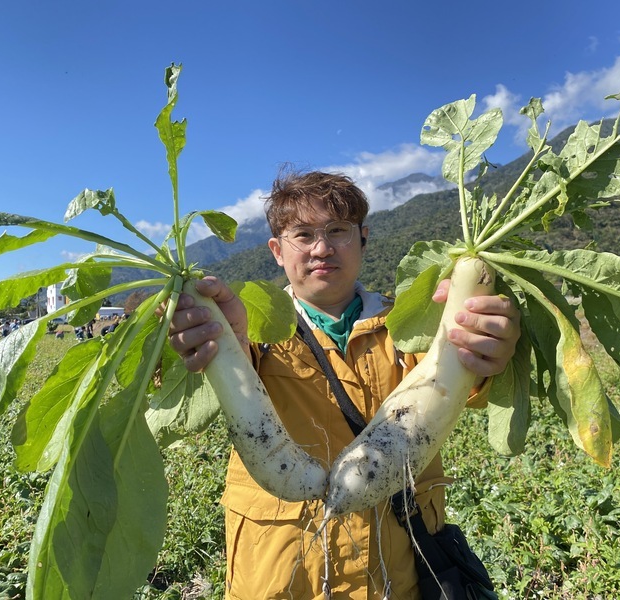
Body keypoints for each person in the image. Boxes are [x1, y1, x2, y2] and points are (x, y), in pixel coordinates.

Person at [167, 170, 520, 599]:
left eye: (338, 231)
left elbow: (463, 381)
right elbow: (213, 376)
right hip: (282, 574)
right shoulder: (248, 330)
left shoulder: (412, 323)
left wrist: (480, 345)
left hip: (398, 571)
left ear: (364, 238)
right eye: (303, 234)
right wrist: (217, 338)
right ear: (277, 251)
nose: (322, 248)